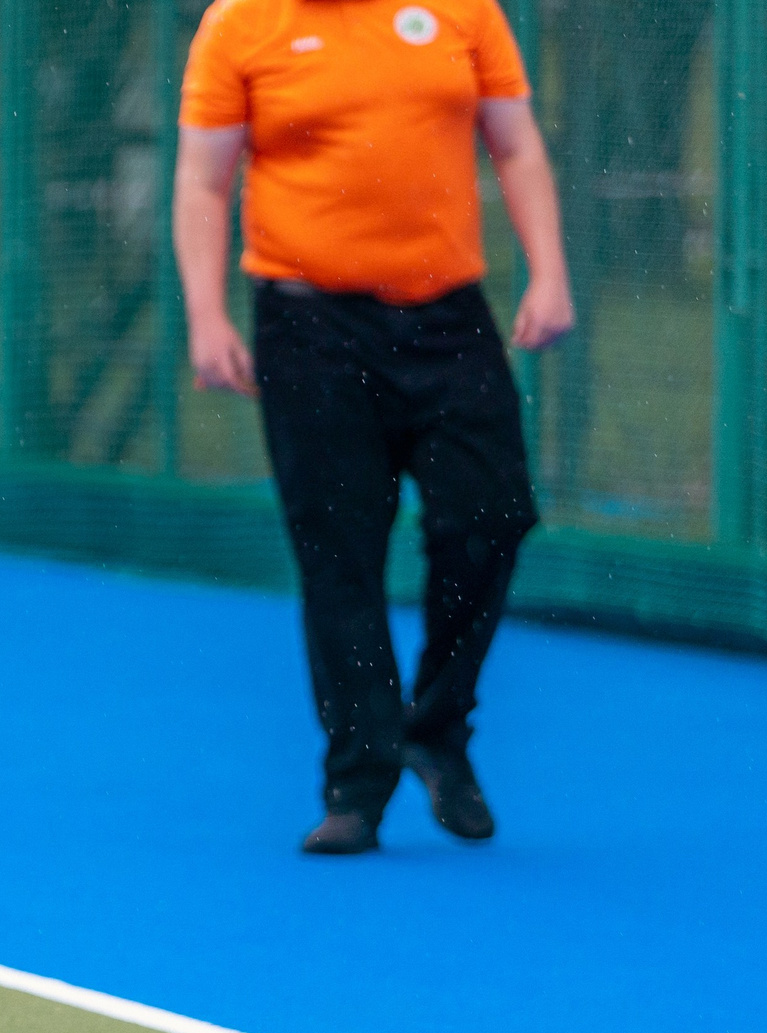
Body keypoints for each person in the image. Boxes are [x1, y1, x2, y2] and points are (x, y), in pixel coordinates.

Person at [174, 0, 575, 854]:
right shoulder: (239, 25)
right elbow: (204, 179)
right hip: (309, 327)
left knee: (493, 514)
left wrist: (549, 273)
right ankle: (358, 782)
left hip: (448, 319)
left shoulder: (464, 11)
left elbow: (514, 144)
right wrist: (206, 316)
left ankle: (436, 727)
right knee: (339, 549)